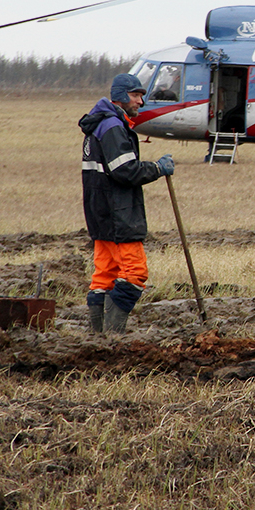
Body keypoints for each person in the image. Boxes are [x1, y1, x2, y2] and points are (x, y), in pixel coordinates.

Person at [79, 73, 174, 333]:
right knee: (135, 273)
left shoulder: (100, 124)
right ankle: (113, 334)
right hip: (118, 212)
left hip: (100, 211)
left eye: (141, 95)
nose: (141, 101)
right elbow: (124, 170)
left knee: (105, 274)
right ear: (120, 96)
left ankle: (97, 337)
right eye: (135, 95)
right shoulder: (112, 126)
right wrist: (157, 168)